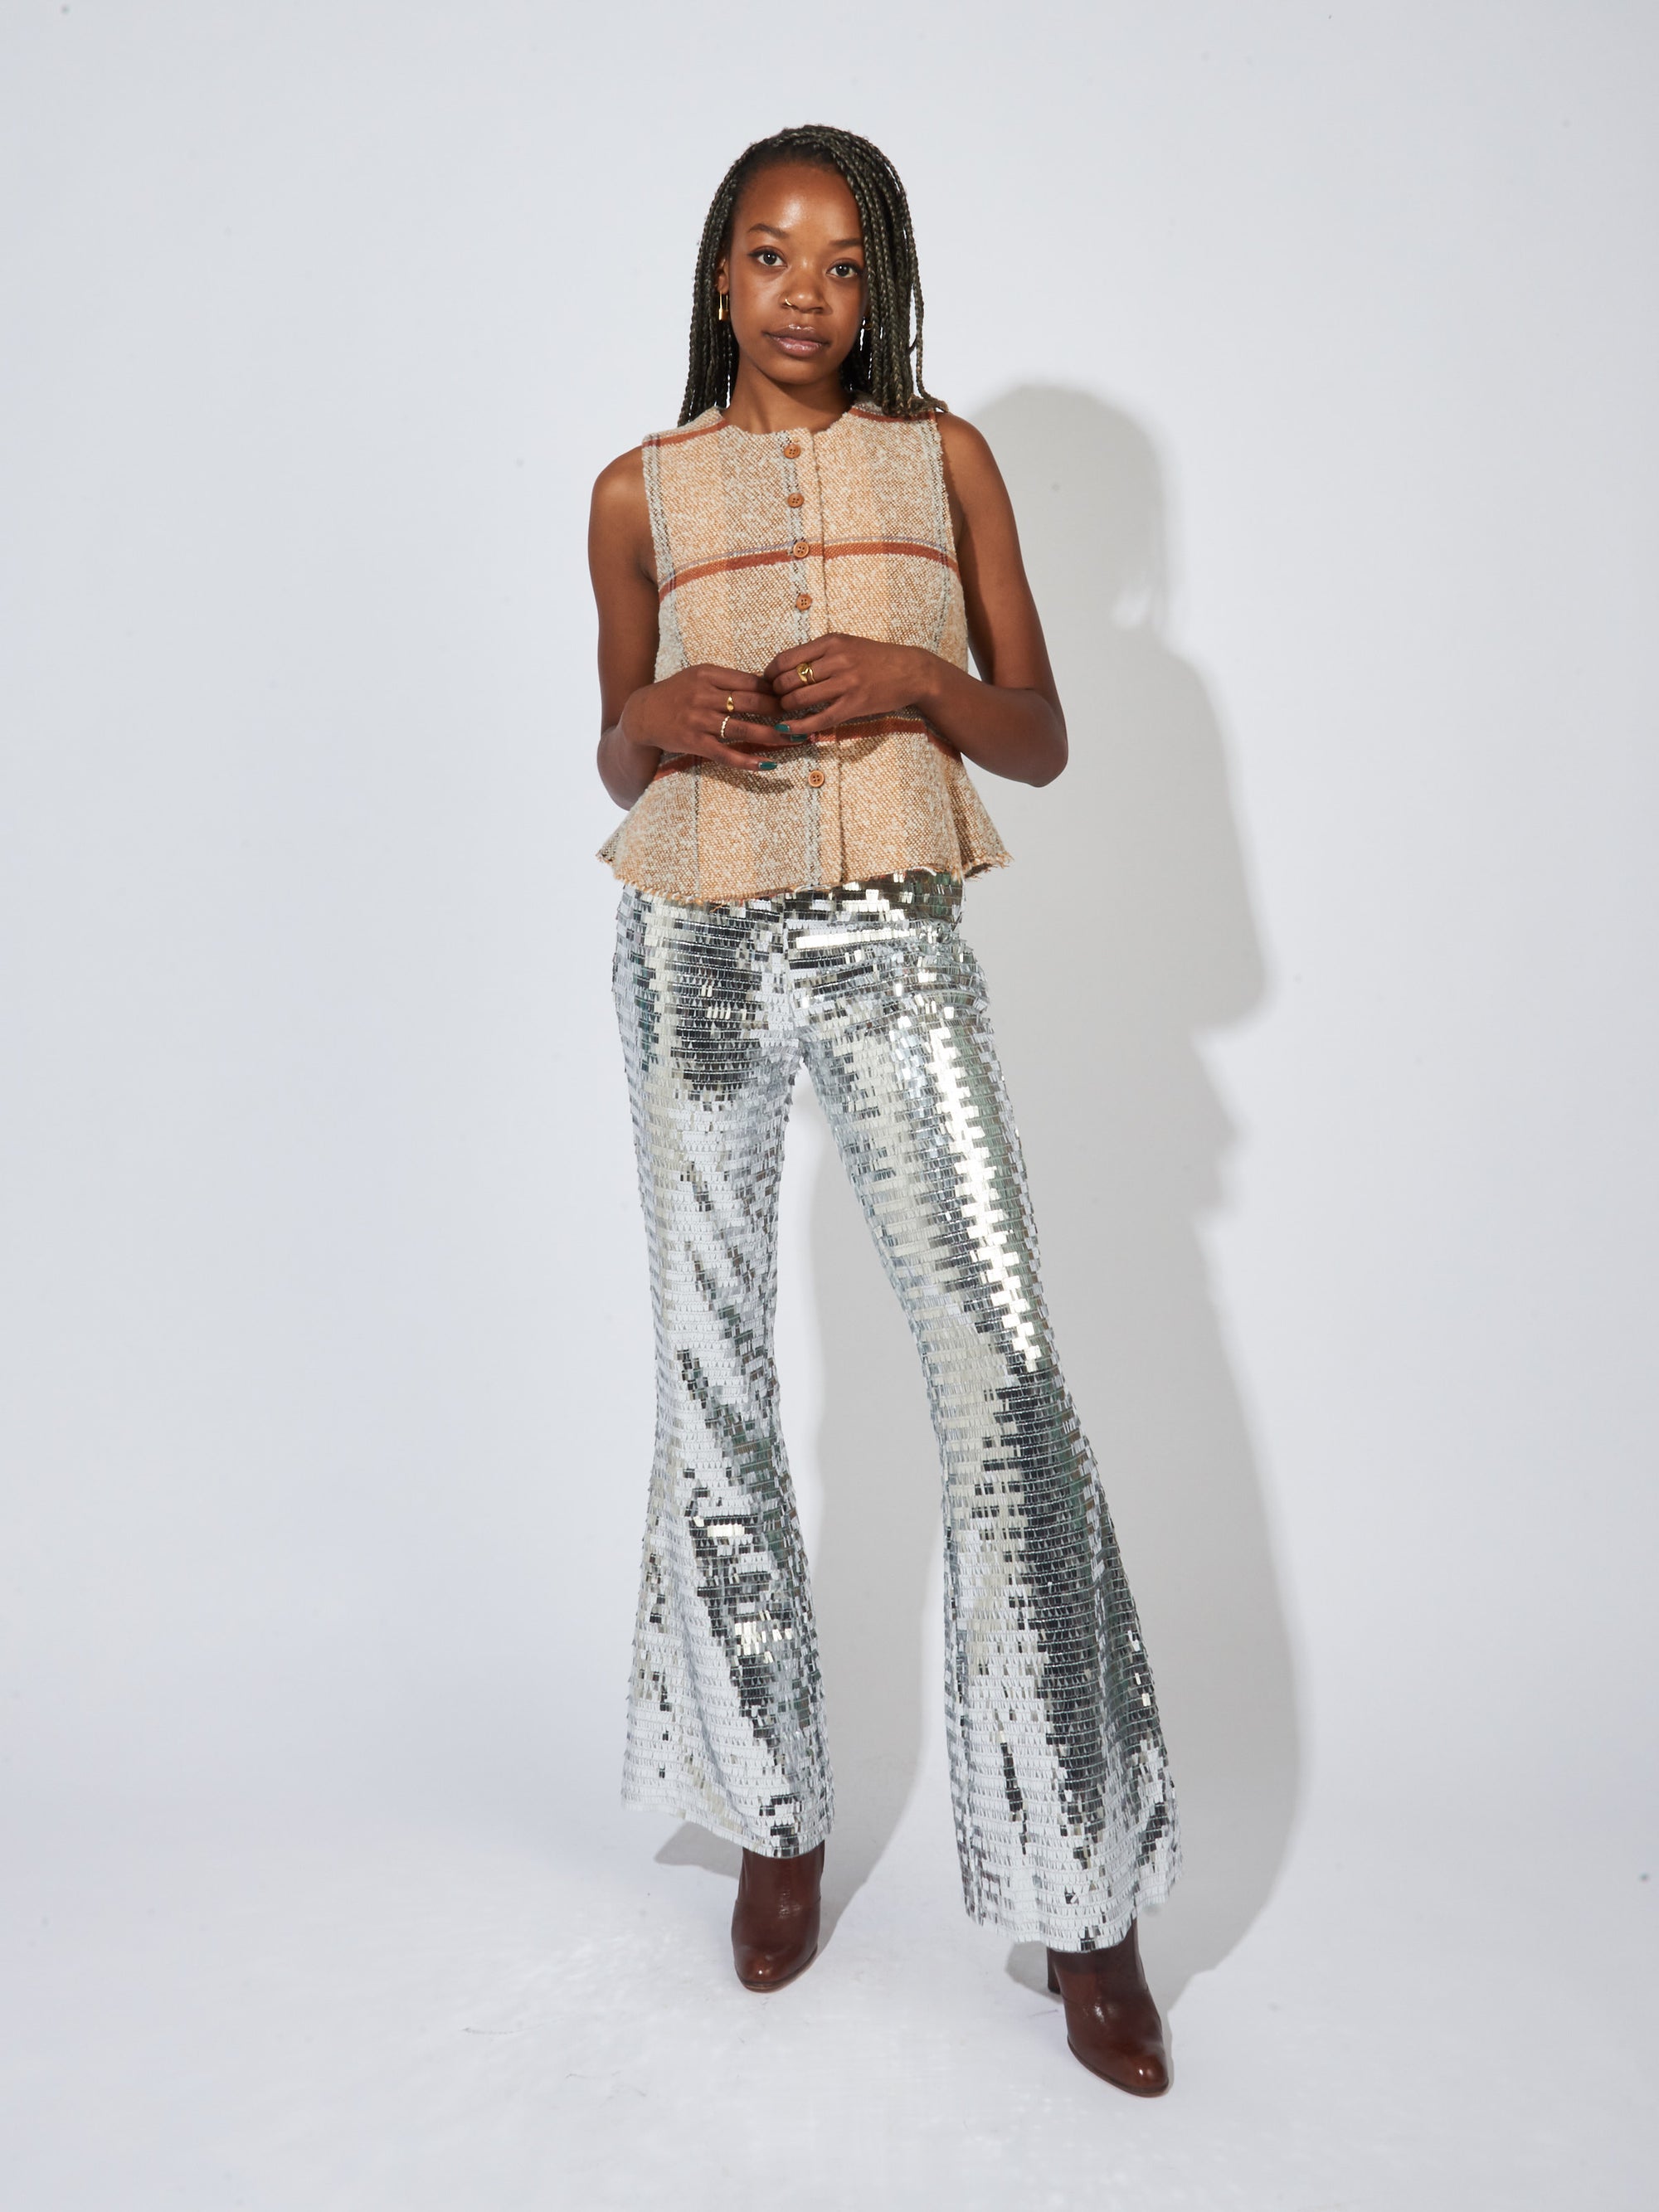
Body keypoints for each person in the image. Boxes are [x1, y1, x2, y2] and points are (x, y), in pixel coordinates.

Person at [588, 124, 1180, 2094]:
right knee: (714, 1369)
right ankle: (772, 1813)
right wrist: (650, 719)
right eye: (771, 255)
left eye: (844, 264)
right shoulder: (635, 489)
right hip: (688, 940)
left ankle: (1084, 1895)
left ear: (882, 286)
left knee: (1003, 1378)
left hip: (891, 936)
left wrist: (920, 674)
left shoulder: (945, 460)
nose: (806, 294)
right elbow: (615, 739)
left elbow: (1043, 734)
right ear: (719, 274)